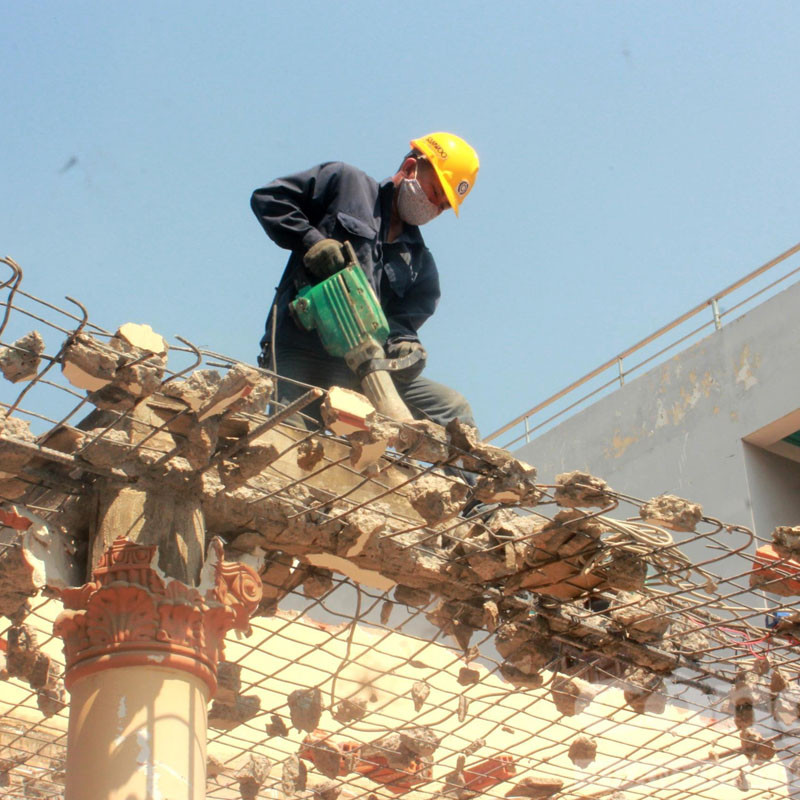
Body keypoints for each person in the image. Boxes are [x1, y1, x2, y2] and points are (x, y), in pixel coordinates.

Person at [251, 132, 480, 430]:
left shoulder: (420, 263)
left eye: (444, 206)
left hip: (363, 370)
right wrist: (312, 242)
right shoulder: (345, 183)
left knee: (452, 408)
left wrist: (406, 347)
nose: (435, 207)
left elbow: (400, 328)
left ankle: (462, 477)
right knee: (292, 438)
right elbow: (269, 199)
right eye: (436, 192)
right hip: (300, 349)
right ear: (410, 168)